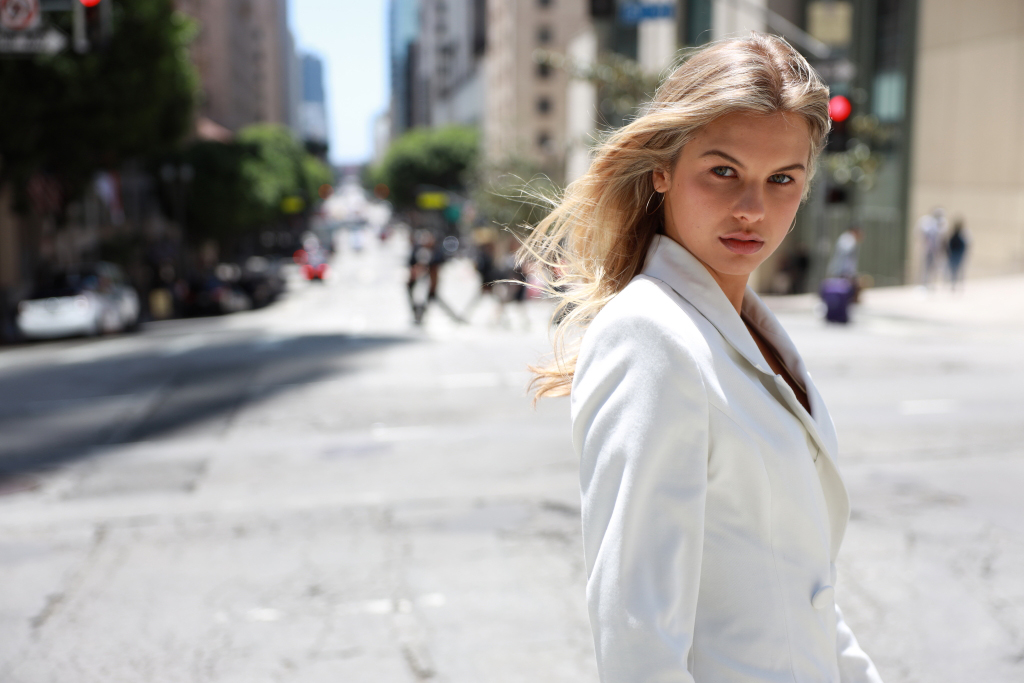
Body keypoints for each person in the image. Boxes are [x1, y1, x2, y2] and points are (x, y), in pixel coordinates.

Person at [523, 34, 883, 682]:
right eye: (723, 171)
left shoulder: (751, 332)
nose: (753, 208)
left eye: (782, 180)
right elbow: (638, 637)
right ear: (663, 168)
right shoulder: (650, 335)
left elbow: (803, 595)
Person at [917, 207, 946, 288]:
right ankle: (924, 284)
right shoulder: (927, 223)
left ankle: (932, 284)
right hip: (928, 250)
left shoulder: (942, 223)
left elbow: (942, 238)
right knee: (925, 268)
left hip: (937, 251)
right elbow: (923, 235)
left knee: (935, 268)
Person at [946, 218, 969, 289]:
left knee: (959, 271)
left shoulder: (962, 235)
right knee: (953, 271)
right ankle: (953, 284)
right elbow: (949, 244)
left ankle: (959, 285)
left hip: (958, 255)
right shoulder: (953, 235)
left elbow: (964, 245)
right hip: (954, 255)